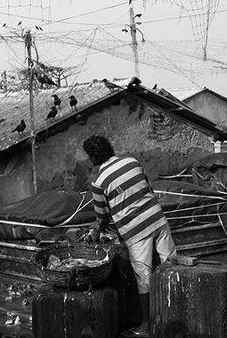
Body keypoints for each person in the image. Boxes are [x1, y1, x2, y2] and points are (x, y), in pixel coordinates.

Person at [83, 135, 176, 336]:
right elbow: (149, 189)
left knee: (144, 277)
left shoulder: (98, 182)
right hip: (158, 219)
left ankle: (146, 325)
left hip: (136, 231)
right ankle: (176, 315)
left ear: (92, 157)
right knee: (171, 265)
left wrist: (98, 227)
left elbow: (102, 217)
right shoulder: (132, 162)